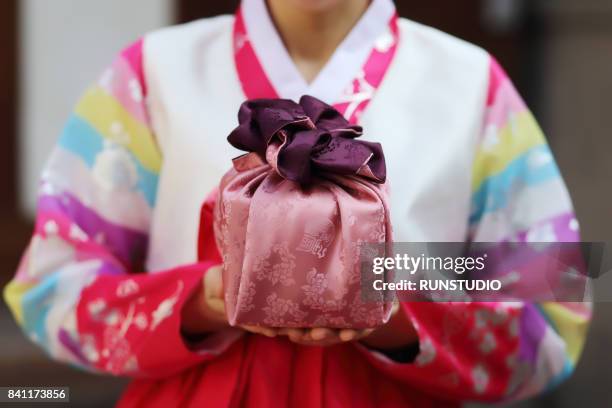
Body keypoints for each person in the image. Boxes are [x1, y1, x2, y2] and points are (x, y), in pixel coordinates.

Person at [4, 0, 591, 406]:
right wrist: (204, 301)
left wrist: (389, 292)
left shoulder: (469, 83)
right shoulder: (153, 73)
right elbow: (51, 284)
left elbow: (556, 286)